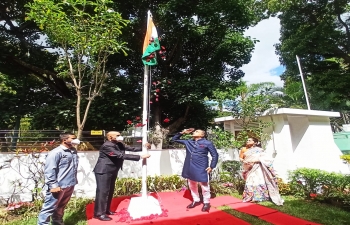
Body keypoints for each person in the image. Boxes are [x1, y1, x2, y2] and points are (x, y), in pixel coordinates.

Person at [93, 131, 151, 221]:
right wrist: (140, 157)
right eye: (117, 135)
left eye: (120, 135)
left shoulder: (119, 144)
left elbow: (132, 148)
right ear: (110, 137)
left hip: (112, 170)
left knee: (109, 191)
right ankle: (99, 213)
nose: (120, 137)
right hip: (103, 171)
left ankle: (106, 210)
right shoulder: (107, 146)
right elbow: (120, 155)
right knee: (103, 192)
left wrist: (144, 146)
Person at [172, 129, 219, 212]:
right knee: (192, 184)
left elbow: (215, 155)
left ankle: (206, 203)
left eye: (197, 131)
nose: (194, 132)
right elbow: (174, 139)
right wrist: (182, 132)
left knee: (204, 186)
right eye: (195, 131)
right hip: (189, 167)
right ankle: (196, 200)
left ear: (202, 135)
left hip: (201, 167)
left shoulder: (207, 143)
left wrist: (212, 166)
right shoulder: (189, 142)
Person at [38, 132, 80, 225]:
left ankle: (57, 222)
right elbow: (50, 170)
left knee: (61, 206)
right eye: (72, 138)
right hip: (58, 186)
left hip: (70, 184)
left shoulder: (73, 151)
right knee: (49, 207)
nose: (75, 140)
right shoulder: (56, 153)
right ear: (64, 140)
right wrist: (53, 185)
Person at [242, 137, 283, 205]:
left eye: (249, 140)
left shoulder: (260, 150)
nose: (247, 141)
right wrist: (246, 162)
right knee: (250, 180)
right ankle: (250, 196)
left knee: (258, 180)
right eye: (247, 140)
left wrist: (253, 161)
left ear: (255, 142)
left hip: (258, 167)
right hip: (250, 168)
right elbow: (245, 159)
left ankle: (259, 197)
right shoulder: (246, 152)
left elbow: (265, 158)